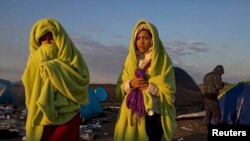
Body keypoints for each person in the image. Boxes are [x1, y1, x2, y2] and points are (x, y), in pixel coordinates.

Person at [22, 18, 89, 141]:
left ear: (60, 38)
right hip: (40, 113)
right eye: (43, 39)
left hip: (69, 114)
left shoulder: (72, 56)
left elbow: (82, 79)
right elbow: (29, 83)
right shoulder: (34, 59)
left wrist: (54, 68)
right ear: (36, 42)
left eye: (51, 38)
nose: (47, 43)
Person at [114, 19, 176, 141]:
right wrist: (131, 83)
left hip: (154, 114)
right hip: (132, 114)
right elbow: (120, 88)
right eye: (138, 38)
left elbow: (169, 92)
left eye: (145, 38)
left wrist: (149, 87)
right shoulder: (130, 60)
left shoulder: (163, 61)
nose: (141, 42)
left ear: (153, 39)